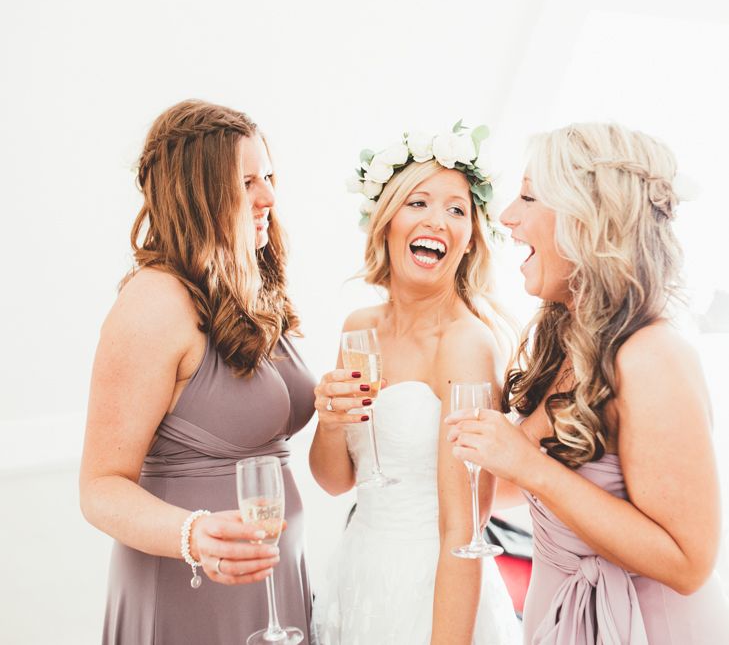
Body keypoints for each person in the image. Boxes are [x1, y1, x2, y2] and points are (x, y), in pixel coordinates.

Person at [447, 122, 729, 643]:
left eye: (529, 196)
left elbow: (689, 562)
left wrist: (529, 465)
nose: (507, 215)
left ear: (588, 219)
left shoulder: (651, 354)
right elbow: (511, 487)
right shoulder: (572, 339)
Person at [79, 100, 316, 644]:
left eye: (270, 177)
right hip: (189, 591)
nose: (269, 197)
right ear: (199, 193)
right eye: (248, 181)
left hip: (271, 589)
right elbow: (99, 486)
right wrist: (195, 535)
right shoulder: (154, 303)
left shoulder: (249, 286)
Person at [310, 126, 521, 644]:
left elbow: (463, 529)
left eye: (456, 210)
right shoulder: (359, 327)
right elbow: (336, 481)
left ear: (471, 237)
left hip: (433, 588)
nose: (437, 221)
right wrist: (331, 420)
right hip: (358, 572)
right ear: (386, 222)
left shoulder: (467, 344)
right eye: (419, 202)